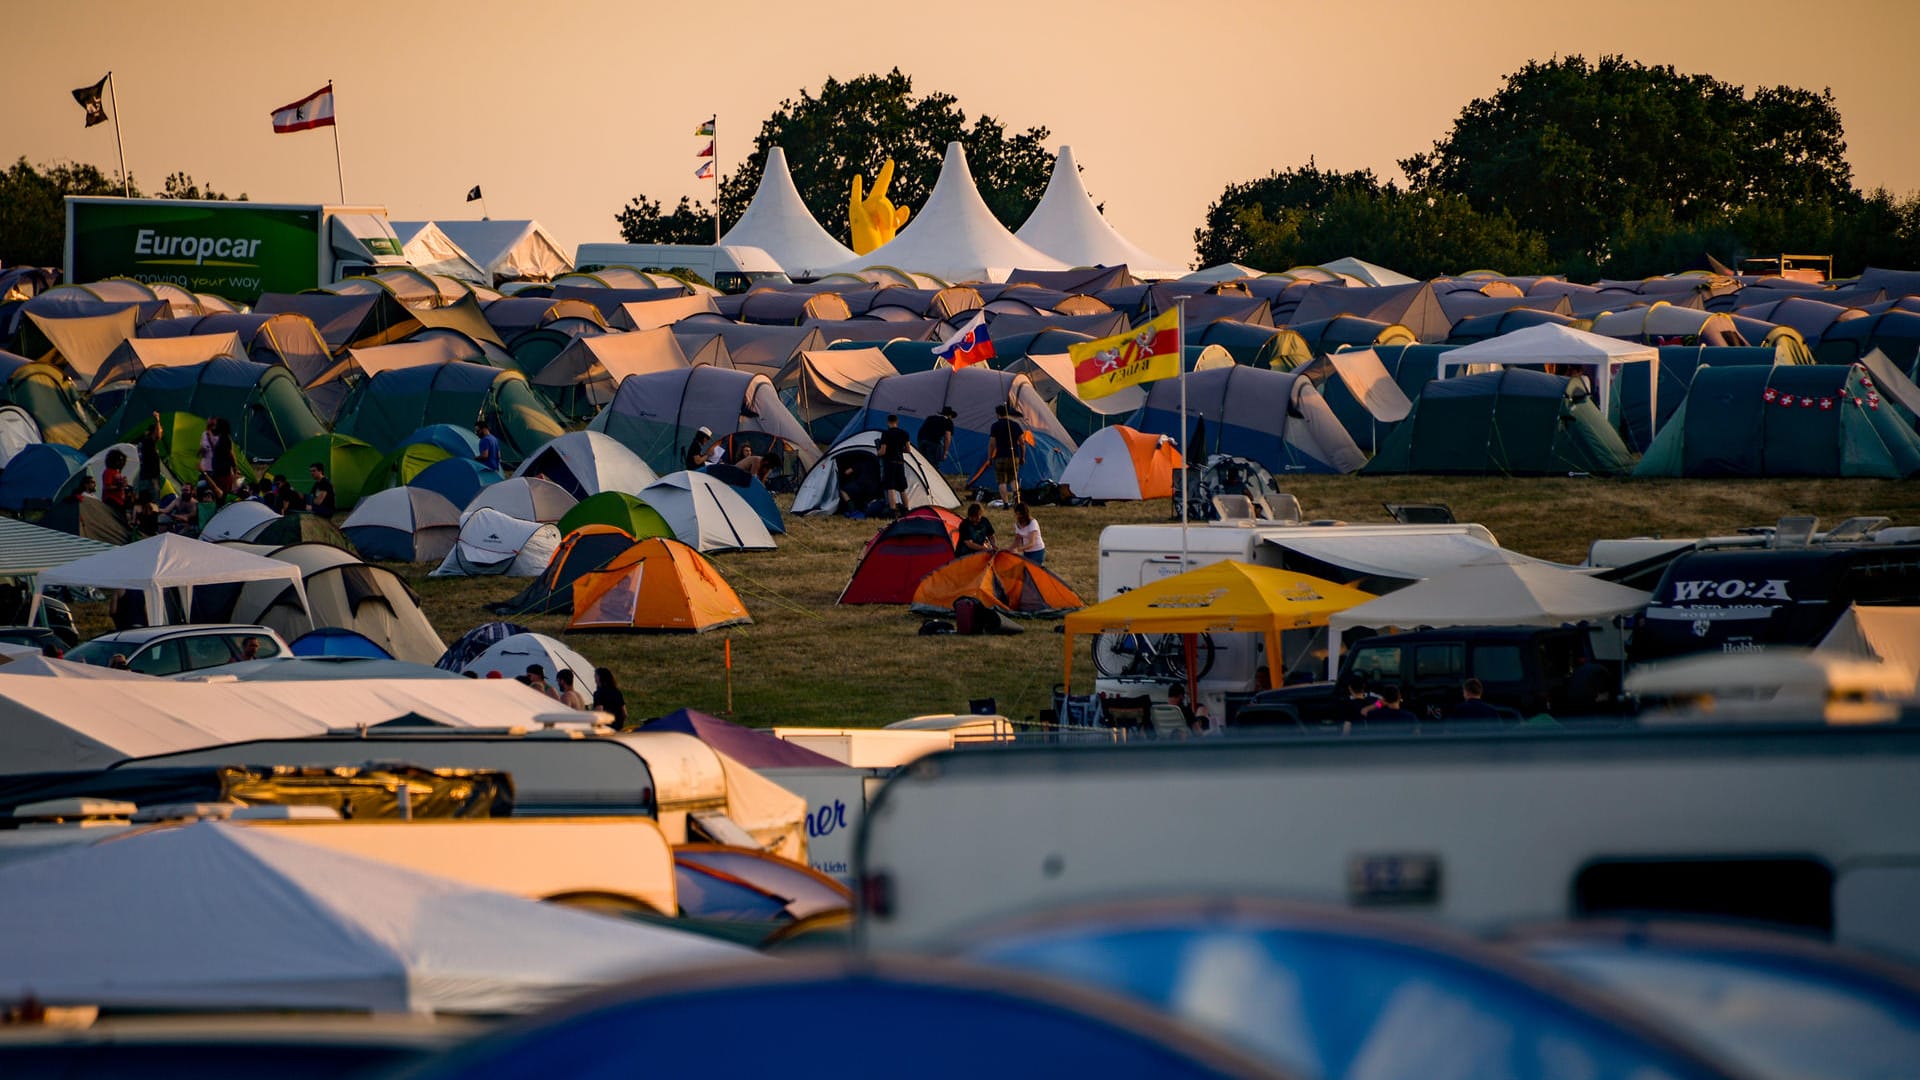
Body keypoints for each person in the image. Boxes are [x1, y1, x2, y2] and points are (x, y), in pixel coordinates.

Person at [986, 405, 1025, 508]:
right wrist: (1022, 456)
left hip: (1000, 456)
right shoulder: (1015, 425)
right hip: (1014, 455)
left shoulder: (995, 426)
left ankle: (1006, 503)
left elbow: (992, 444)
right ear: (1008, 413)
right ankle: (1017, 500)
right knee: (1013, 479)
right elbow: (1022, 442)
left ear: (998, 414)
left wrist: (989, 457)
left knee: (1001, 480)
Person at [878, 414, 911, 515]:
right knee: (902, 488)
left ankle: (892, 511)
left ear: (888, 422)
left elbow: (883, 451)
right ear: (897, 422)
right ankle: (906, 510)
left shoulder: (886, 434)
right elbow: (908, 450)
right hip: (900, 462)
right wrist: (900, 450)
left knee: (890, 486)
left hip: (890, 462)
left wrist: (877, 452)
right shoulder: (905, 433)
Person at [918, 405, 956, 471]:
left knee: (922, 461)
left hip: (921, 440)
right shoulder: (948, 421)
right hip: (934, 442)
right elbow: (947, 438)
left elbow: (922, 429)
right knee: (933, 464)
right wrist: (945, 452)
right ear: (949, 415)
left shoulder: (930, 418)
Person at [135, 412, 163, 500]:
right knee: (152, 505)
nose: (161, 433)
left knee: (143, 503)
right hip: (150, 479)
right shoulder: (148, 442)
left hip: (144, 476)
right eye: (160, 430)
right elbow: (157, 436)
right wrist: (157, 420)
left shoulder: (145, 443)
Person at [208, 417, 238, 496]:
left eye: (216, 425)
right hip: (218, 472)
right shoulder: (221, 437)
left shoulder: (225, 439)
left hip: (223, 474)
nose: (214, 427)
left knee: (221, 494)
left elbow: (231, 454)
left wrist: (235, 468)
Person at [100, 449, 132, 515]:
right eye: (119, 460)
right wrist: (119, 486)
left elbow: (120, 485)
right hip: (111, 500)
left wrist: (124, 484)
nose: (121, 462)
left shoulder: (117, 472)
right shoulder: (108, 471)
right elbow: (106, 487)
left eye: (122, 460)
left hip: (120, 502)